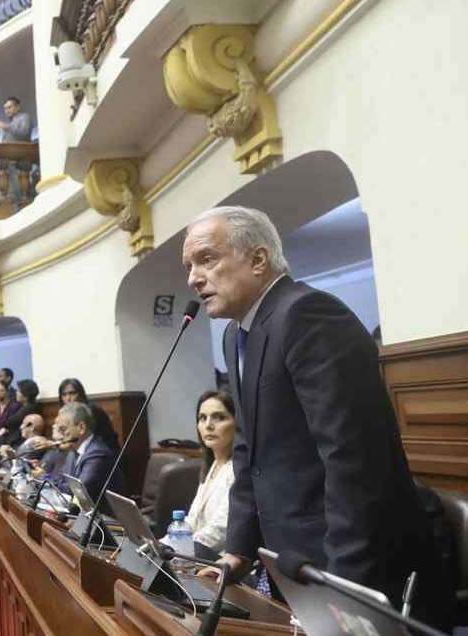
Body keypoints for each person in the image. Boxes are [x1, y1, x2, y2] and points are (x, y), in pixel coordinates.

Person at [184, 206, 452, 625]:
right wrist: (237, 550)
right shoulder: (238, 334)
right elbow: (248, 451)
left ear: (258, 260)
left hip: (354, 571)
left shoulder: (308, 315)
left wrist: (343, 588)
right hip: (294, 570)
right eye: (190, 266)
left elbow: (354, 461)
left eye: (206, 259)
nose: (193, 278)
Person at [164, 390, 236, 552]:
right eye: (202, 418)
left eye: (219, 417)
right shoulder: (213, 464)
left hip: (221, 563)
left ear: (238, 423)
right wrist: (161, 543)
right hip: (197, 554)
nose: (208, 425)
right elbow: (192, 521)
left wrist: (173, 548)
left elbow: (219, 532)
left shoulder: (238, 470)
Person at [53, 402, 124, 500]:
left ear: (81, 428)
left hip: (104, 514)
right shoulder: (73, 451)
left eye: (63, 429)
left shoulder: (97, 454)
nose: (60, 436)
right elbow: (59, 479)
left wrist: (49, 481)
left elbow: (81, 492)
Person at [0, 379, 43, 450]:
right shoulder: (26, 406)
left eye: (19, 391)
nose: (16, 392)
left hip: (23, 443)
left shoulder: (29, 408)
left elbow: (7, 423)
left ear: (26, 395)